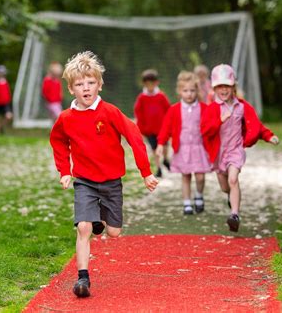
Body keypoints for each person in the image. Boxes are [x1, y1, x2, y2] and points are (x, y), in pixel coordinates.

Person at [50, 51, 159, 298]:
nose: (85, 88)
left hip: (111, 182)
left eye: (90, 83)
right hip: (84, 182)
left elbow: (134, 138)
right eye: (79, 84)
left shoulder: (109, 112)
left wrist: (146, 172)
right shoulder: (66, 118)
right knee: (84, 228)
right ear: (71, 89)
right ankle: (82, 279)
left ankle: (100, 216)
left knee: (113, 232)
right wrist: (65, 171)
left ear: (100, 85)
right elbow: (57, 141)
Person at [201, 64, 279, 232]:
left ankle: (234, 215)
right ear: (214, 88)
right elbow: (205, 131)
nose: (224, 90)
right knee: (225, 186)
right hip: (218, 154)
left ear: (233, 86)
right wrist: (220, 120)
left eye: (227, 86)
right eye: (220, 86)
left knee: (233, 179)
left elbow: (256, 124)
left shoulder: (242, 106)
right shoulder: (212, 109)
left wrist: (268, 136)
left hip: (235, 151)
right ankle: (231, 196)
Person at [156, 71, 212, 215]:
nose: (189, 94)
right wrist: (161, 144)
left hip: (199, 148)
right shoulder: (174, 109)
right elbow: (166, 128)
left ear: (197, 91)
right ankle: (187, 203)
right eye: (185, 91)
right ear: (180, 91)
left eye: (192, 90)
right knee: (185, 176)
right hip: (182, 149)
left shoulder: (204, 108)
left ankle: (199, 195)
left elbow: (212, 125)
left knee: (200, 176)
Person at [134, 69, 171, 177]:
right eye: (147, 84)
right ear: (144, 84)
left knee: (164, 147)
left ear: (156, 83)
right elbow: (138, 113)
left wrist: (169, 125)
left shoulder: (161, 96)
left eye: (152, 83)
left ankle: (166, 160)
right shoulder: (141, 98)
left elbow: (168, 110)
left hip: (162, 129)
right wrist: (142, 128)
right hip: (149, 130)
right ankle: (159, 167)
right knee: (154, 149)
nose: (150, 86)